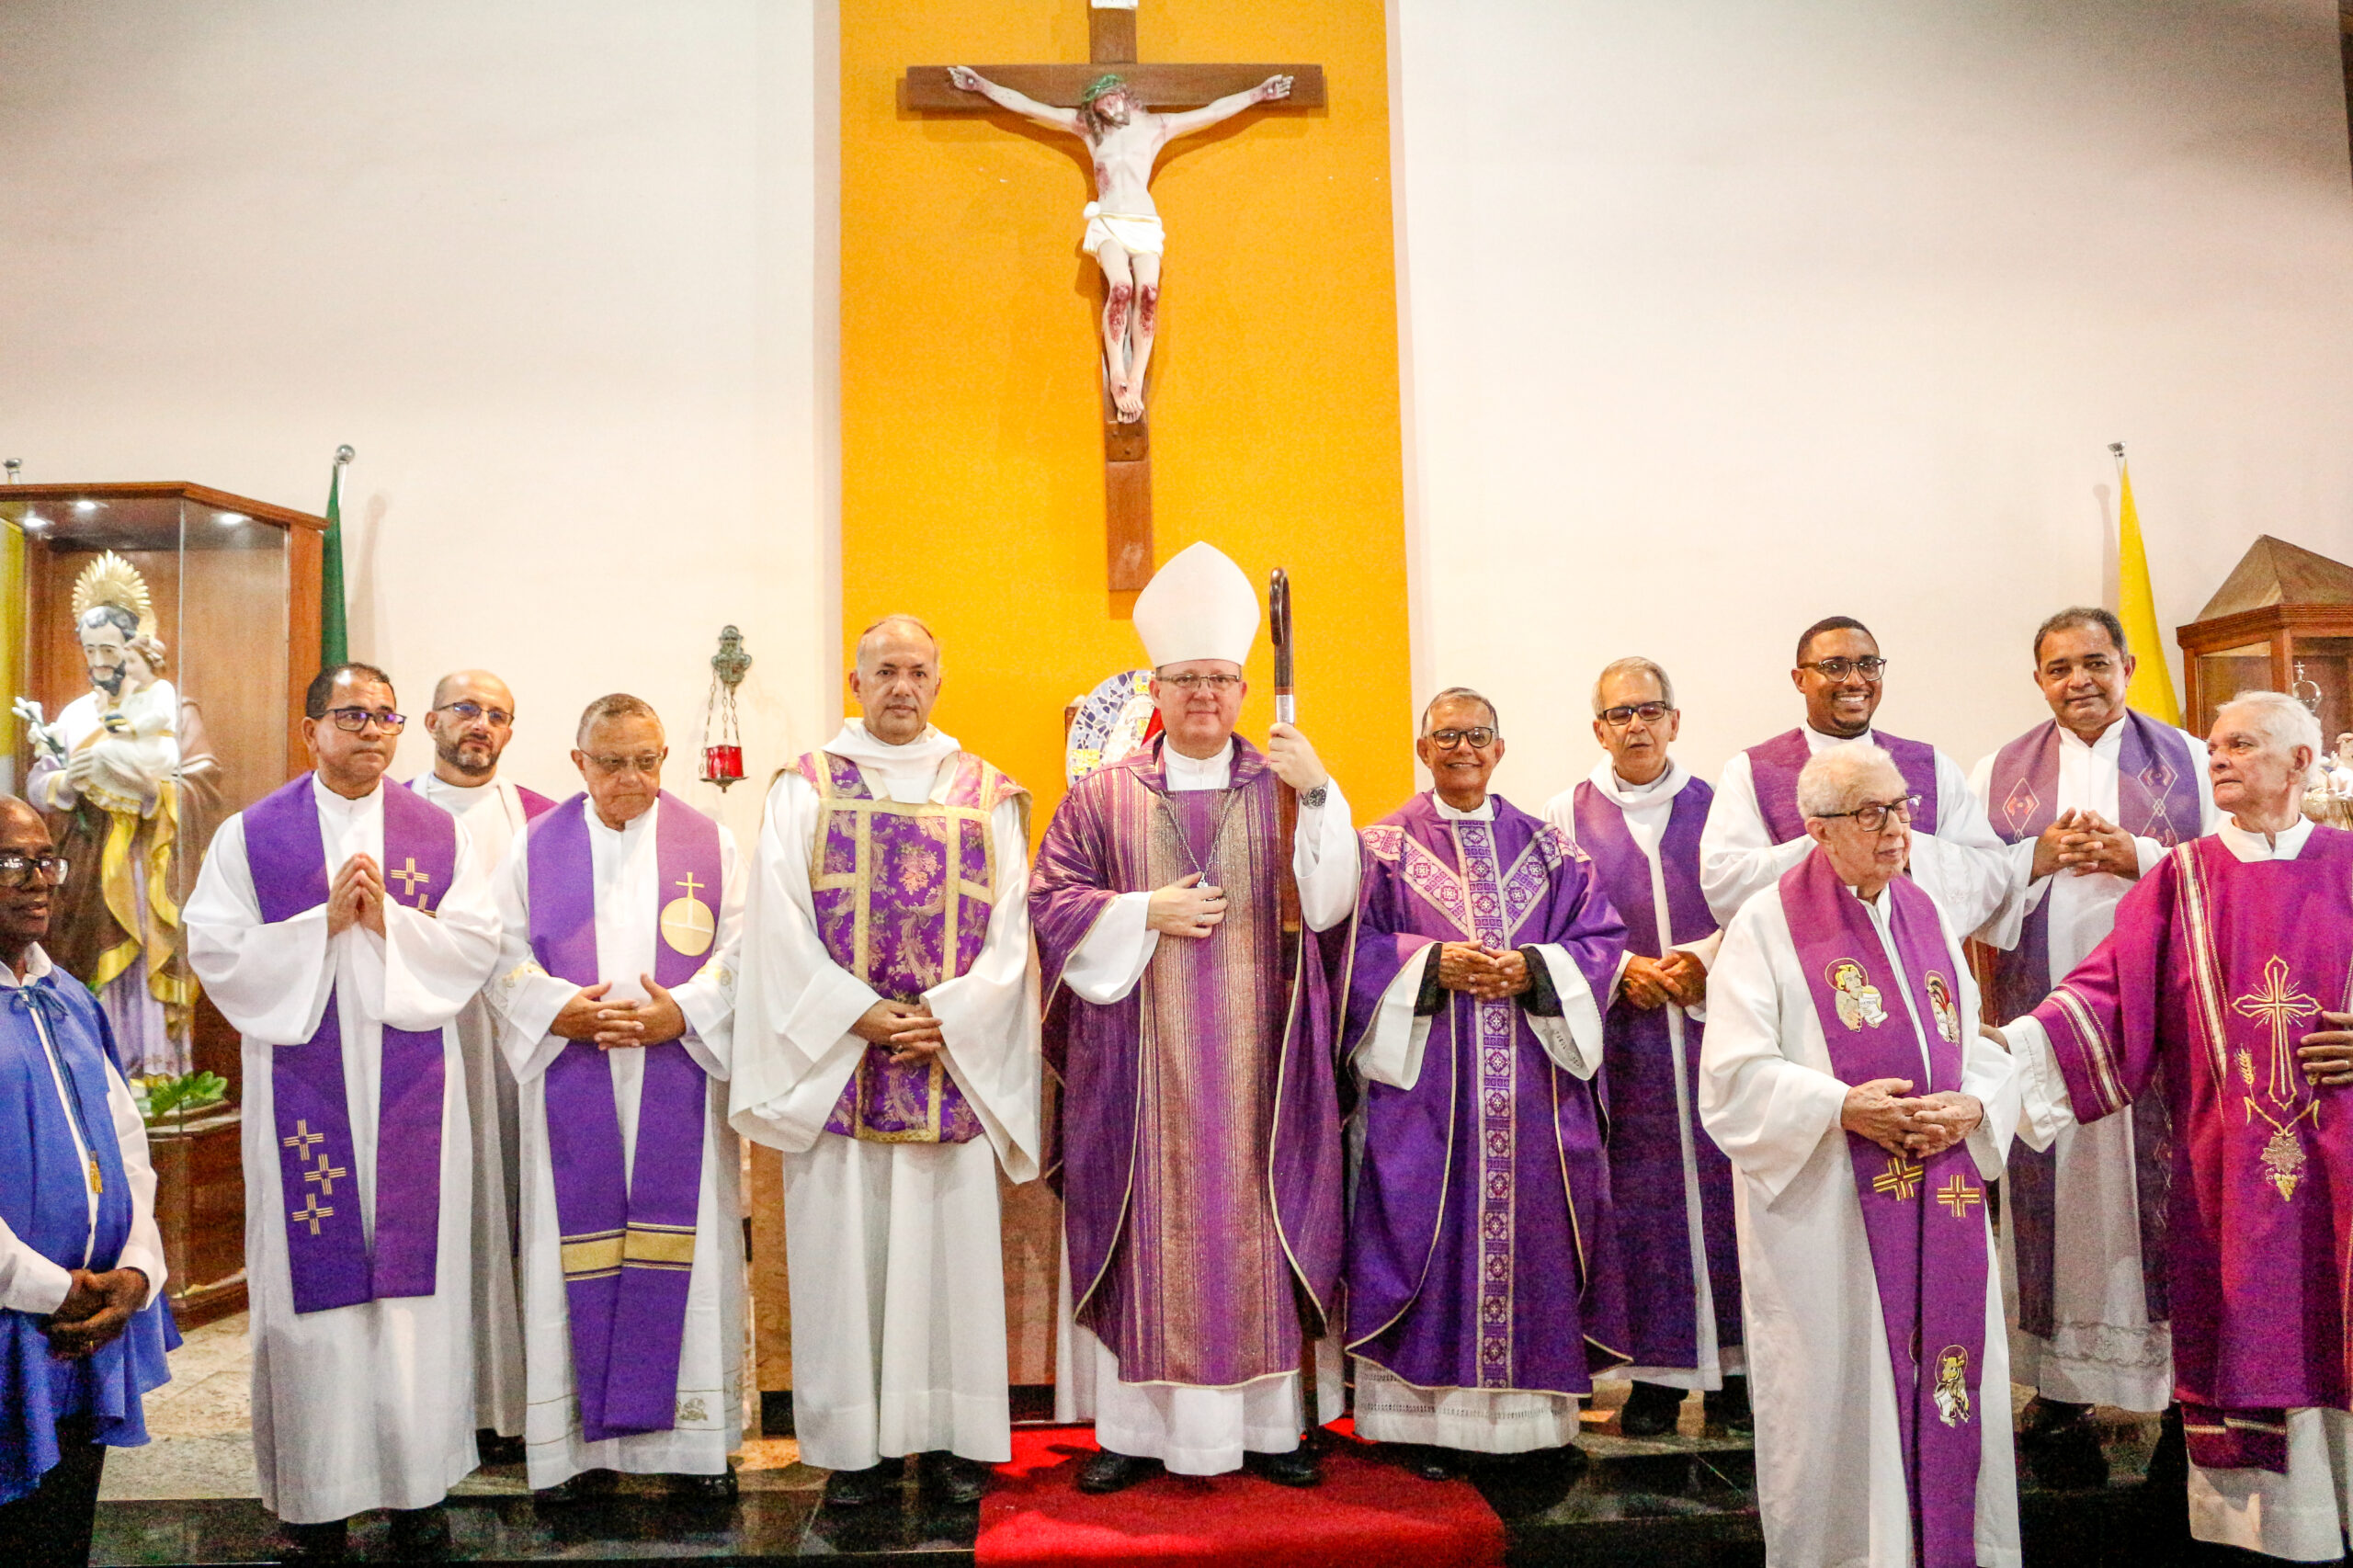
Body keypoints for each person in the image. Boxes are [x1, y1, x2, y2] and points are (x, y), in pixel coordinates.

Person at [1029, 541, 1357, 1492]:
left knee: (1260, 1221)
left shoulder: (1287, 786)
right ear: (1157, 688)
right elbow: (1049, 902)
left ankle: (1271, 1428)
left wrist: (1322, 792)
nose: (1203, 695)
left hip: (1262, 1067)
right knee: (1150, 1233)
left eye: (1218, 678)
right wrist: (1142, 911)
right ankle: (1135, 1433)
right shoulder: (1101, 797)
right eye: (1185, 680)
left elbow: (1333, 905)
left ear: (1245, 689)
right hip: (1140, 1070)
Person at [1998, 691, 2353, 1561]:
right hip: (2225, 1178)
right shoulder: (2183, 877)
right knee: (2250, 1325)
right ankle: (2276, 1535)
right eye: (2216, 745)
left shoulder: (2350, 865)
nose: (2219, 758)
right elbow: (2107, 994)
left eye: (2242, 745)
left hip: (2345, 1174)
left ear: (2300, 763)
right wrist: (2000, 1058)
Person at [184, 664, 502, 1560]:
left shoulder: (437, 832)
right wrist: (317, 924)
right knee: (308, 1294)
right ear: (311, 731)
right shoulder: (252, 836)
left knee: (413, 1294)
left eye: (385, 716)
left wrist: (393, 920)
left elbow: (477, 941)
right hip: (306, 1086)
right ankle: (315, 1498)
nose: (371, 730)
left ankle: (417, 1488)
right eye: (352, 715)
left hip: (411, 1089)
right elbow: (215, 948)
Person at [731, 616, 1037, 1508]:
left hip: (950, 1057)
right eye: (885, 670)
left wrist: (952, 1016)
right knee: (845, 1263)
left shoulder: (987, 793)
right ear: (855, 682)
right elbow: (776, 922)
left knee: (950, 1267)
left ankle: (951, 1443)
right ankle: (853, 1454)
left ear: (938, 681)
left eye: (918, 671)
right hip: (842, 1063)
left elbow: (1014, 930)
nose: (902, 686)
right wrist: (855, 1012)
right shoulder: (806, 787)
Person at [1699, 744, 2020, 1568]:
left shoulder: (1925, 911)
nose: (1896, 828)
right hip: (1833, 1214)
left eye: (1902, 808)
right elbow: (1732, 1080)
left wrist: (1973, 1105)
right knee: (1847, 1402)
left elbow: (1976, 1044)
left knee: (1946, 1385)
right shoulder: (1765, 925)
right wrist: (1841, 1106)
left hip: (1940, 1192)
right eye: (1871, 814)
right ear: (1818, 829)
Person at [1347, 688, 1628, 1480]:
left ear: (1500, 749)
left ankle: (1528, 1429)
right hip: (1426, 1096)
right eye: (1446, 737)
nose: (1462, 749)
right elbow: (1348, 952)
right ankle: (1421, 1422)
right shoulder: (1382, 849)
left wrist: (1535, 968)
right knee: (1419, 1229)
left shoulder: (1552, 850)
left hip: (1533, 1093)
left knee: (1535, 1236)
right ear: (1422, 748)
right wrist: (1429, 962)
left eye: (1477, 736)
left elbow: (1601, 941)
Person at [1969, 608, 2216, 1483]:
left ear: (2128, 666)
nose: (2079, 680)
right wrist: (2034, 860)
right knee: (2056, 1184)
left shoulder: (2192, 759)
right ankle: (2061, 1382)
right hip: (2044, 1018)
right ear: (2038, 678)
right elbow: (1970, 889)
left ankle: (2180, 1376)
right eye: (2060, 667)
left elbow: (2226, 872)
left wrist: (2138, 856)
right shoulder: (1997, 771)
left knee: (2167, 1186)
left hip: (2159, 1021)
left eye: (2095, 662)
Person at [490, 694, 746, 1502]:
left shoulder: (710, 843)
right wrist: (555, 1008)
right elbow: (498, 950)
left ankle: (694, 1450)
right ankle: (572, 1452)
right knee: (571, 1251)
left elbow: (743, 948)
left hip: (680, 1077)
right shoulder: (535, 847)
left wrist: (687, 1012)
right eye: (612, 762)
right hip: (575, 1075)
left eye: (646, 760)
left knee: (690, 1250)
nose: (632, 777)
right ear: (579, 763)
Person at [1545, 657, 1746, 1439]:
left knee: (1732, 1199)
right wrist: (1621, 968)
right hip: (1622, 1048)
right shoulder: (1565, 815)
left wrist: (1703, 960)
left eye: (1649, 711)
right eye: (1619, 714)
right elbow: (1551, 924)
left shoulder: (1723, 806)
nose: (1636, 726)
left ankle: (1738, 1373)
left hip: (1717, 1032)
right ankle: (1657, 1380)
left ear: (1674, 721)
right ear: (1599, 729)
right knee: (1640, 1206)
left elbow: (1760, 908)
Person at [0, 795, 176, 1568]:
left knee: (63, 1535)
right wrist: (50, 1287)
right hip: (21, 1323)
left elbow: (128, 1146)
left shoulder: (69, 997)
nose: (37, 879)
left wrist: (137, 1269)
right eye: (13, 861)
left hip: (86, 1331)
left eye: (46, 860)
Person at [945, 66, 1294, 422]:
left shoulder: (1157, 127)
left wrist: (1258, 94)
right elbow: (1029, 107)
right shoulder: (1089, 130)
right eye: (1101, 106)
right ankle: (1117, 374)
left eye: (1111, 100)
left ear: (1125, 96)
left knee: (1149, 294)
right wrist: (982, 86)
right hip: (1109, 221)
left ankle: (1136, 377)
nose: (1109, 110)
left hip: (1144, 223)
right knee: (1122, 287)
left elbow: (1213, 112)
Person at [408, 670, 553, 1457]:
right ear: (431, 720)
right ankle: (447, 1399)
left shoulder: (545, 820)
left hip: (518, 1042)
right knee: (443, 1212)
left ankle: (527, 1397)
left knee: (522, 1207)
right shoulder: (392, 815)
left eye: (498, 715)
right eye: (466, 710)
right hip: (425, 1041)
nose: (482, 725)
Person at [24, 551, 221, 1075]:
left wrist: (149, 791)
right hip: (91, 866)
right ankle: (102, 1068)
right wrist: (68, 783)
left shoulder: (170, 708)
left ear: (132, 647)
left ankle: (157, 1068)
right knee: (98, 961)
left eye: (109, 649)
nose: (99, 662)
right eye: (90, 650)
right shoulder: (74, 715)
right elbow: (39, 783)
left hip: (152, 862)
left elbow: (205, 785)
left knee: (150, 952)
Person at [1699, 616, 2011, 936]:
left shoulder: (1932, 765)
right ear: (1800, 679)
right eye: (1835, 667)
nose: (1855, 680)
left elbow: (1989, 870)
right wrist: (1836, 845)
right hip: (1809, 956)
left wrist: (1900, 847)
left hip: (1915, 950)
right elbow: (1725, 882)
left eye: (1868, 665)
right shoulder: (1750, 771)